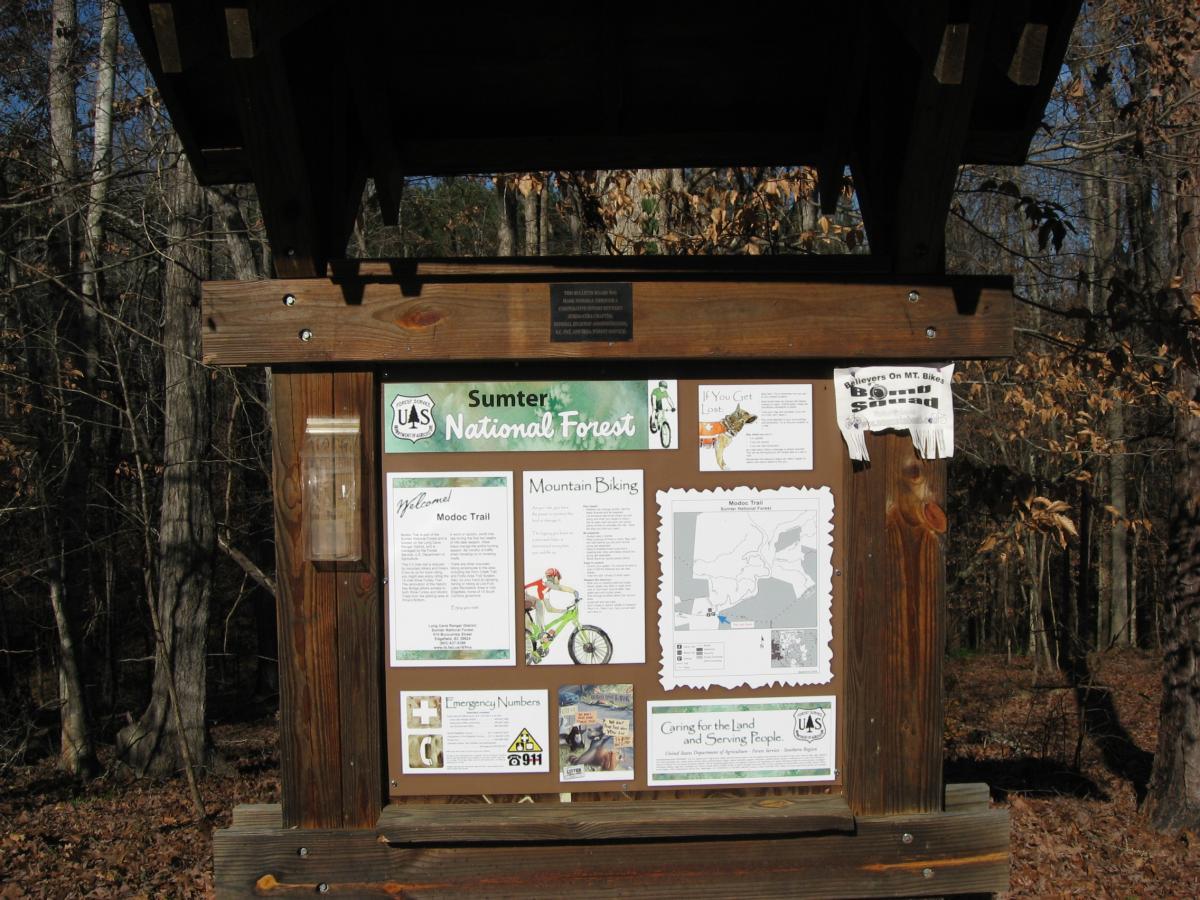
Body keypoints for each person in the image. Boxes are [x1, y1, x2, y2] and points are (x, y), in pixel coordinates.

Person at [524, 567, 578, 633]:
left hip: (526, 602)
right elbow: (559, 588)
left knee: (530, 635)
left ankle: (539, 632)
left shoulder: (545, 590)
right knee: (540, 603)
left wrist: (564, 611)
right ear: (554, 577)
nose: (559, 581)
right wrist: (574, 591)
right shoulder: (546, 581)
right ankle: (541, 632)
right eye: (558, 578)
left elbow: (549, 609)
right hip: (523, 597)